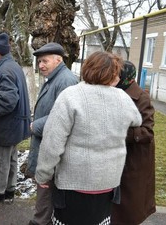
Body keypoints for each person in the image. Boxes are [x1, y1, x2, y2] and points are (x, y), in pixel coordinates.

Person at [35, 51, 142, 225]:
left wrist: (43, 175)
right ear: (113, 74)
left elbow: (52, 142)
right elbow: (136, 119)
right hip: (108, 182)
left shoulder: (71, 96)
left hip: (73, 183)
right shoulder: (123, 98)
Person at [27, 42, 78, 225]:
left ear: (59, 60)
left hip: (51, 147)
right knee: (45, 189)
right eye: (39, 61)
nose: (40, 65)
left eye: (44, 61)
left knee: (46, 189)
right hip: (47, 144)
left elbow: (65, 117)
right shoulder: (56, 78)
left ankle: (41, 222)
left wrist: (36, 125)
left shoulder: (65, 81)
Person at [0, 33, 30, 203]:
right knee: (11, 158)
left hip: (9, 124)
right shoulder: (13, 66)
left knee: (1, 160)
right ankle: (9, 190)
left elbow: (8, 99)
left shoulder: (4, 70)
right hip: (17, 123)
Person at [111, 61, 156, 225]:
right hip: (116, 157)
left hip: (134, 160)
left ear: (125, 76)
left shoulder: (141, 97)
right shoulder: (114, 91)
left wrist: (118, 131)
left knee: (129, 205)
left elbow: (147, 132)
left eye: (116, 73)